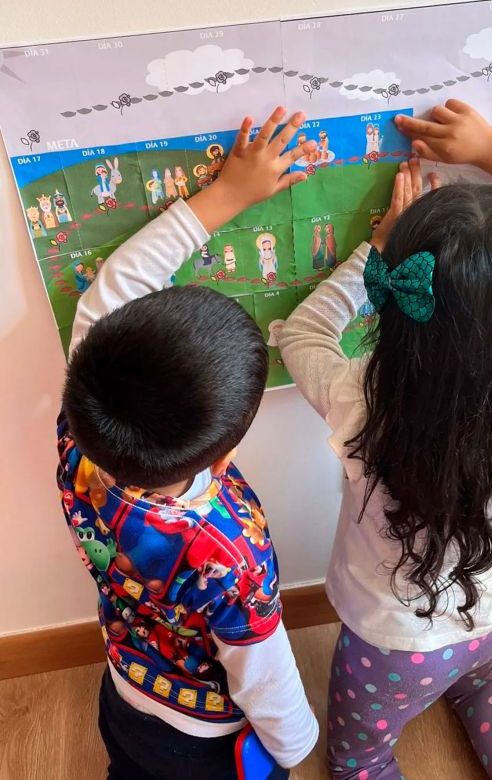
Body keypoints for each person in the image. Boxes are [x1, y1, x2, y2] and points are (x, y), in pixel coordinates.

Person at [279, 99, 492, 780]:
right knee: (483, 684)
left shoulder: (370, 402)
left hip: (391, 645)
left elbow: (302, 333)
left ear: (402, 310)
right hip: (487, 612)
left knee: (361, 755)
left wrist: (377, 244)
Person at [58, 106, 318, 780]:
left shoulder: (80, 428)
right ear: (223, 457)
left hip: (123, 688)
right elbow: (263, 670)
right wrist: (294, 749)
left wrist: (225, 194)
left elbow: (108, 295)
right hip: (202, 739)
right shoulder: (231, 557)